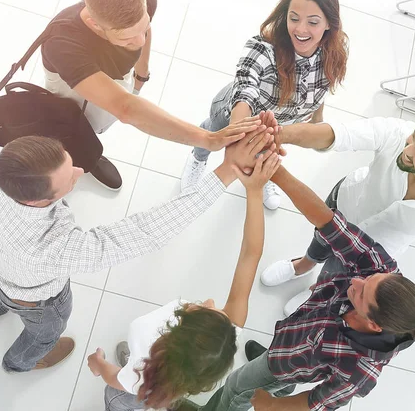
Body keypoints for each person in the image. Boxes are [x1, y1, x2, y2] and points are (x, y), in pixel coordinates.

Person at [0, 123, 275, 373]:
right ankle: (19, 363)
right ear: (37, 200)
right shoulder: (56, 248)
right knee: (44, 335)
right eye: (70, 180)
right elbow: (145, 232)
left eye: (70, 163)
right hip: (37, 301)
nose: (79, 171)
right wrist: (227, 171)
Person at [197, 163, 415, 411]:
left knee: (236, 386)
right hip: (294, 341)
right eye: (368, 279)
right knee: (270, 371)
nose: (356, 280)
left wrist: (271, 405)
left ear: (374, 324)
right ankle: (281, 379)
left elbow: (316, 402)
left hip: (283, 365)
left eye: (362, 292)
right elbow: (329, 222)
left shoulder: (360, 370)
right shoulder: (381, 269)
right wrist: (275, 171)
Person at [86, 151, 282, 411]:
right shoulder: (229, 329)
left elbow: (118, 381)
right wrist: (254, 192)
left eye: (204, 307)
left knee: (120, 397)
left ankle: (130, 368)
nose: (212, 301)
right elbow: (250, 254)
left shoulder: (146, 359)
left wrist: (99, 364)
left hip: (136, 385)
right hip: (152, 379)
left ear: (181, 324)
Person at [41, 0, 259, 190]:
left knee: (96, 127)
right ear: (95, 24)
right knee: (73, 130)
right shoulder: (62, 44)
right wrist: (207, 139)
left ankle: (89, 148)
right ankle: (76, 159)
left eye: (143, 28)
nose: (139, 41)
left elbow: (144, 32)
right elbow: (125, 108)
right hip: (75, 91)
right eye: (126, 38)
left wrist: (141, 72)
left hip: (115, 80)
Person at [261, 111, 415, 314]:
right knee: (320, 239)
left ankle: (316, 289)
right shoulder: (396, 133)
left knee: (338, 275)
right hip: (346, 204)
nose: (407, 150)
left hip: (369, 253)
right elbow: (338, 134)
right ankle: (304, 264)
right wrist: (280, 135)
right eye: (413, 137)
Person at [181, 0, 349, 210]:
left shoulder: (333, 55)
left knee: (266, 150)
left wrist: (316, 120)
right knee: (212, 132)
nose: (300, 29)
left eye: (312, 22)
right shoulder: (263, 48)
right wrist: (238, 139)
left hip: (277, 126)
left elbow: (321, 88)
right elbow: (244, 92)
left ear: (329, 23)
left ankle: (266, 170)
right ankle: (198, 158)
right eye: (294, 18)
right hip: (231, 112)